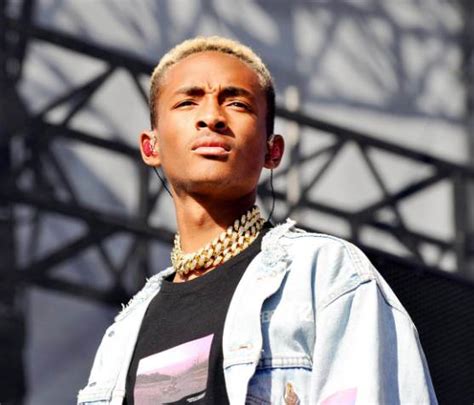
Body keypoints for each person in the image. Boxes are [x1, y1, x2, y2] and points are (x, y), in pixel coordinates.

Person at [77, 36, 437, 405]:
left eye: (237, 103)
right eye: (188, 101)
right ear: (151, 147)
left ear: (272, 150)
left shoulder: (324, 272)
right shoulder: (125, 332)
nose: (212, 117)